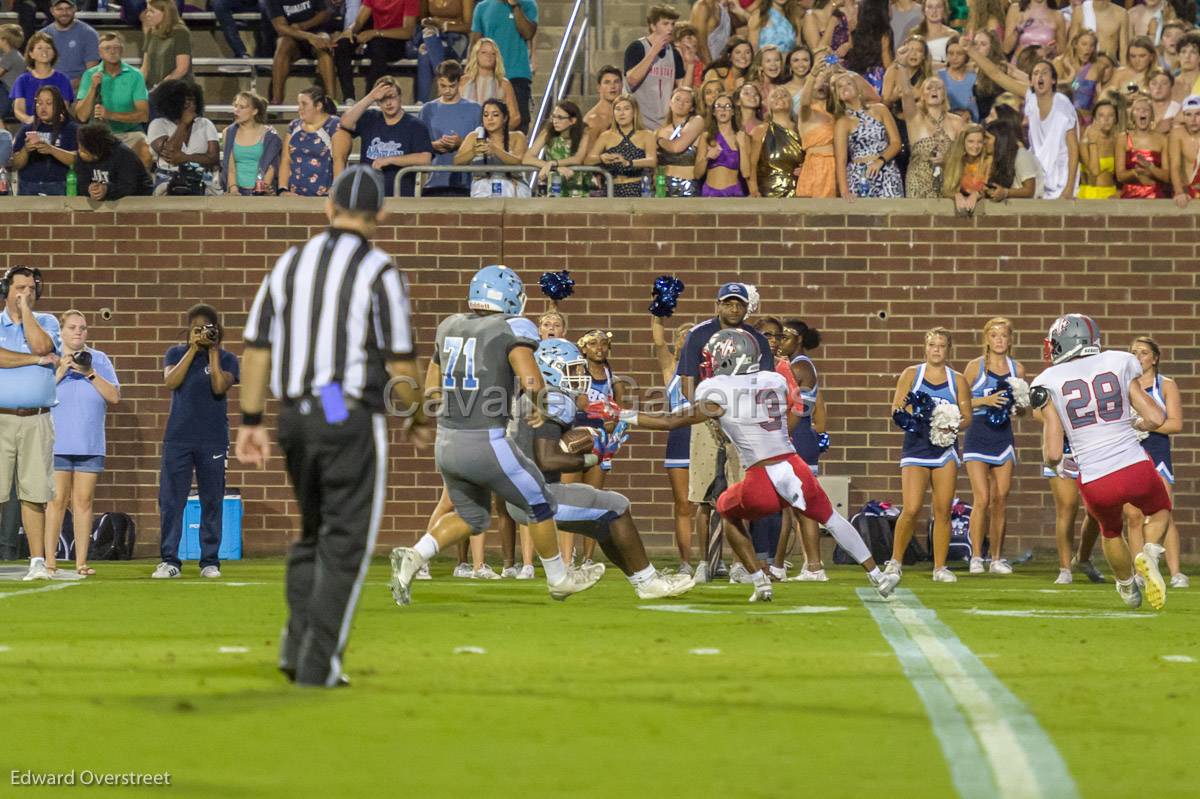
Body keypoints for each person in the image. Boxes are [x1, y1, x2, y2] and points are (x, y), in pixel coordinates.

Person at [237, 166, 428, 687]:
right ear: (381, 214)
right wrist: (415, 414)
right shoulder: (379, 269)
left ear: (328, 206)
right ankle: (318, 664)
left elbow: (256, 348)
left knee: (312, 534)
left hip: (297, 410)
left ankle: (296, 646)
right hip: (341, 408)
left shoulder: (290, 263)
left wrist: (250, 420)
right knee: (345, 540)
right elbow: (401, 361)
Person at [598, 329, 900, 603]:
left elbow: (672, 420)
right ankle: (877, 575)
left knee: (727, 510)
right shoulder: (775, 380)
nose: (709, 362)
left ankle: (759, 581)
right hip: (793, 464)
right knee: (831, 518)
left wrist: (623, 414)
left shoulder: (717, 388)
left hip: (761, 474)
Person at [390, 265, 602, 605]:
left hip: (447, 442)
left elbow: (431, 386)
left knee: (472, 516)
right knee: (540, 502)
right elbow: (531, 379)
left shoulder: (449, 326)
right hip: (486, 440)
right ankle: (559, 578)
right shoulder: (510, 328)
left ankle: (414, 556)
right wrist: (537, 403)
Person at [507, 339, 694, 599]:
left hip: (523, 492)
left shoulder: (537, 396)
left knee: (603, 523)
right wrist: (590, 458)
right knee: (617, 506)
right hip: (536, 495)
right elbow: (548, 460)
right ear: (549, 369)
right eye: (572, 369)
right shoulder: (552, 400)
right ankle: (648, 581)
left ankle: (640, 580)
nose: (580, 375)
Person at [1031, 314, 1172, 610]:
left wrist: (1055, 461)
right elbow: (1158, 417)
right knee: (1160, 511)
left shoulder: (1047, 381)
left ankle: (1127, 588)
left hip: (1095, 478)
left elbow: (1054, 452)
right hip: (1133, 465)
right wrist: (1140, 425)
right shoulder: (1119, 361)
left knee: (1110, 531)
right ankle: (1149, 552)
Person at [674, 283, 774, 584]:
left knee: (740, 494)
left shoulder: (756, 339)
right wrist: (705, 412)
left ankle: (738, 564)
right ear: (717, 304)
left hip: (743, 420)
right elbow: (686, 381)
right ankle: (705, 562)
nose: (734, 309)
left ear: (746, 307)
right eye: (728, 303)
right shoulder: (699, 334)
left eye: (739, 304)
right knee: (704, 495)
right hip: (706, 421)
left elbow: (765, 383)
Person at [155, 304, 238, 581]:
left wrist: (212, 351)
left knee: (211, 500)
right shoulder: (176, 353)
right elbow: (171, 381)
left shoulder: (227, 359)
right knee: (171, 501)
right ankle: (169, 560)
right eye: (197, 329)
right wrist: (192, 349)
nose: (202, 333)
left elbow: (218, 386)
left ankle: (210, 561)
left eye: (208, 329)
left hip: (213, 438)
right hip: (178, 437)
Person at [887, 328, 973, 583]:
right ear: (925, 348)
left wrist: (951, 423)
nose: (936, 350)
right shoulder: (912, 374)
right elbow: (896, 409)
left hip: (945, 450)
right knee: (912, 508)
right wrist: (919, 415)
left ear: (949, 349)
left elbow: (967, 417)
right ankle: (894, 562)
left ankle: (939, 567)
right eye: (932, 345)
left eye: (942, 345)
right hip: (915, 449)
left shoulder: (957, 380)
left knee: (943, 510)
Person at [44, 310, 119, 576]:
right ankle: (49, 562)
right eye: (73, 327)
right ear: (61, 332)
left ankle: (81, 562)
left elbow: (114, 397)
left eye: (83, 328)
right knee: (56, 501)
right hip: (56, 442)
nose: (79, 332)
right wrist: (61, 370)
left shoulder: (99, 359)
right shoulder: (50, 358)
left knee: (84, 501)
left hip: (89, 442)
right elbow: (38, 396)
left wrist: (89, 373)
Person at [0, 266, 60, 583]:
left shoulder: (46, 322)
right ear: (5, 290)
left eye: (31, 289)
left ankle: (37, 561)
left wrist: (26, 313)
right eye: (19, 287)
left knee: (34, 493)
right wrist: (35, 362)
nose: (26, 292)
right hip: (1, 417)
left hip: (37, 418)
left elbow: (42, 346)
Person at [960, 318, 1025, 575]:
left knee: (1000, 498)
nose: (999, 340)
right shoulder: (974, 367)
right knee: (982, 498)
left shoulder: (1017, 369)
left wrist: (1019, 408)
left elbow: (1022, 410)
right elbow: (961, 402)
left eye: (1004, 336)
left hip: (1003, 436)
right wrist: (985, 399)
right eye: (994, 335)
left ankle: (997, 558)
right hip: (978, 435)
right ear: (987, 338)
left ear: (1010, 340)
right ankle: (976, 556)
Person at [969, 52, 1079, 199]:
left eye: (1044, 73)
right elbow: (996, 75)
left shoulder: (1061, 104)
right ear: (1031, 81)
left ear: (1053, 80)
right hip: (1041, 178)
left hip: (1061, 181)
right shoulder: (1031, 98)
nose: (1039, 76)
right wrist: (971, 50)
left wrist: (1069, 188)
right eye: (1035, 73)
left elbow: (1073, 148)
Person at [1124, 337, 1188, 589]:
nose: (1138, 356)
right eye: (1133, 352)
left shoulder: (1166, 385)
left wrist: (1145, 424)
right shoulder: (1124, 384)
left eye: (1143, 352)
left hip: (1157, 454)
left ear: (1155, 358)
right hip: (1129, 454)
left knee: (1163, 512)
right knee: (1133, 515)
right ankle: (1139, 572)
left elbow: (1176, 423)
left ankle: (1175, 572)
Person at [337, 77, 434, 197]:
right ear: (377, 102)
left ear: (400, 96)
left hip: (399, 196)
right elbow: (345, 122)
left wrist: (389, 160)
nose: (388, 103)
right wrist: (370, 97)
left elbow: (425, 159)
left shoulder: (415, 125)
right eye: (383, 99)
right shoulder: (370, 118)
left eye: (392, 97)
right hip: (368, 196)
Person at [652, 315, 695, 574]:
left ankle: (716, 560)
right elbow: (658, 342)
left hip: (705, 435)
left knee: (711, 504)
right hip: (680, 436)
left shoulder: (705, 370)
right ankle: (686, 563)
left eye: (693, 336)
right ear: (677, 343)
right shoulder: (671, 367)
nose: (687, 340)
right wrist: (659, 311)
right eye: (683, 336)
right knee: (683, 504)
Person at [74, 32, 152, 169]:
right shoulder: (90, 75)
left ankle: (141, 189)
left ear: (122, 50)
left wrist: (110, 114)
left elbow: (143, 115)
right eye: (107, 48)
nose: (112, 51)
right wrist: (92, 88)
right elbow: (82, 116)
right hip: (99, 134)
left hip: (131, 133)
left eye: (116, 47)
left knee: (146, 154)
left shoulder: (135, 75)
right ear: (100, 52)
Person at [832, 70, 903, 198]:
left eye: (849, 83)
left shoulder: (880, 109)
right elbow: (841, 160)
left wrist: (880, 161)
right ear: (837, 95)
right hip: (859, 177)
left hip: (887, 171)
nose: (844, 88)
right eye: (840, 86)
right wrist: (844, 191)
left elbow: (896, 143)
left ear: (858, 89)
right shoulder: (842, 122)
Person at [470, 0, 537, 133]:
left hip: (517, 76)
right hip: (490, 77)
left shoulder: (528, 4)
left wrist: (515, 6)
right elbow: (474, 43)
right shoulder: (482, 7)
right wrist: (470, 71)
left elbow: (528, 33)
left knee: (518, 126)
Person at [420, 60, 481, 197]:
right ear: (437, 82)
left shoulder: (475, 109)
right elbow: (418, 146)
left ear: (459, 82)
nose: (447, 90)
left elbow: (483, 147)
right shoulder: (427, 109)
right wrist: (434, 145)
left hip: (467, 184)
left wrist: (461, 144)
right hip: (434, 183)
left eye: (452, 86)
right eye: (443, 86)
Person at [148, 79, 220, 194]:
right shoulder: (158, 124)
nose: (190, 106)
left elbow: (213, 159)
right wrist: (184, 123)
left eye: (192, 101)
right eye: (185, 102)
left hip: (201, 179)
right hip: (168, 180)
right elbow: (169, 153)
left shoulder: (205, 124)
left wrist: (184, 158)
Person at [899, 73, 964, 197]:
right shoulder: (914, 118)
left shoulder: (957, 122)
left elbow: (964, 153)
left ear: (944, 95)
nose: (934, 90)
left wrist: (947, 160)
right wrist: (901, 66)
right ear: (922, 95)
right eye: (929, 88)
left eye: (938, 88)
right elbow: (906, 94)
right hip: (918, 182)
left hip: (948, 183)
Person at [335, 0, 419, 93]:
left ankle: (370, 96)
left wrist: (376, 33)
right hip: (376, 38)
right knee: (342, 44)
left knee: (378, 45)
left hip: (397, 42)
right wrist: (350, 30)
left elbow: (407, 32)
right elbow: (359, 21)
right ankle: (348, 97)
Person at [624, 5, 686, 130]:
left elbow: (682, 88)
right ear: (653, 26)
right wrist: (653, 52)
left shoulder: (673, 53)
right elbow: (631, 80)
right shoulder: (637, 48)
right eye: (665, 23)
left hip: (664, 124)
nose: (670, 28)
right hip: (639, 123)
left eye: (673, 24)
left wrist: (689, 64)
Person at [585, 93, 657, 197]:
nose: (621, 113)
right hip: (611, 189)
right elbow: (588, 160)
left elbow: (652, 161)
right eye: (618, 109)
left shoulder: (647, 134)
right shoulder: (606, 135)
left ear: (634, 111)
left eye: (626, 109)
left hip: (637, 189)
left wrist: (628, 163)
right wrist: (601, 158)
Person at [454, 96, 527, 196]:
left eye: (495, 115)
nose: (490, 119)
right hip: (482, 188)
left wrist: (496, 150)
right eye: (486, 115)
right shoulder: (474, 136)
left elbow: (519, 162)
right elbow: (457, 162)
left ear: (505, 118)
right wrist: (473, 152)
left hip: (512, 186)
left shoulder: (517, 136)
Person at [266, 0, 336, 105]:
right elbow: (280, 27)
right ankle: (277, 100)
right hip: (292, 37)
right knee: (283, 44)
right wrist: (307, 36)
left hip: (316, 32)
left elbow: (325, 13)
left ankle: (331, 100)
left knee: (324, 43)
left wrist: (303, 26)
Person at [12, 85, 77, 196]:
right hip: (28, 187)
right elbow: (15, 164)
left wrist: (51, 150)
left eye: (48, 103)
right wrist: (26, 150)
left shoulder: (72, 129)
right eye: (39, 103)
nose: (43, 108)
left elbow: (77, 161)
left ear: (59, 105)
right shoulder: (26, 129)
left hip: (59, 186)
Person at [278, 85, 340, 196]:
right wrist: (283, 190)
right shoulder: (294, 126)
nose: (299, 108)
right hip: (294, 196)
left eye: (304, 104)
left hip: (324, 197)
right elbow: (285, 159)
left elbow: (339, 161)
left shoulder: (333, 125)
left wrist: (336, 190)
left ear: (319, 106)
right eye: (299, 104)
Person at [524, 99, 591, 196]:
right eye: (554, 117)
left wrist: (554, 163)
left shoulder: (584, 132)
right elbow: (527, 158)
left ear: (572, 120)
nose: (555, 121)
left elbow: (578, 158)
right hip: (555, 185)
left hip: (577, 185)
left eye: (560, 118)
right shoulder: (547, 132)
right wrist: (553, 167)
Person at [221, 90, 282, 195]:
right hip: (237, 191)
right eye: (235, 106)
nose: (237, 110)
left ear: (254, 111)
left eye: (242, 107)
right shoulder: (229, 132)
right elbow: (230, 168)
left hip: (262, 191)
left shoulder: (270, 135)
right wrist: (234, 189)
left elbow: (272, 166)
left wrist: (263, 188)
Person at [413, 0, 474, 103]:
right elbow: (421, 20)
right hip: (435, 36)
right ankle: (446, 86)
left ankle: (424, 100)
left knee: (427, 48)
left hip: (457, 38)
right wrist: (429, 23)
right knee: (426, 49)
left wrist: (444, 26)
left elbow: (468, 26)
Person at [75, 122, 154, 199]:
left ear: (97, 154)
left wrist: (107, 189)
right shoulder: (83, 155)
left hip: (138, 200)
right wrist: (89, 189)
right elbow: (81, 182)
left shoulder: (123, 154)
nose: (80, 153)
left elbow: (128, 186)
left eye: (84, 152)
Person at [749, 84, 802, 197]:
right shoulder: (761, 130)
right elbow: (752, 164)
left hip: (799, 193)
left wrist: (806, 169)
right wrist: (753, 189)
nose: (780, 98)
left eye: (784, 95)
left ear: (792, 102)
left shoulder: (801, 129)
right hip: (768, 194)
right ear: (768, 104)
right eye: (775, 96)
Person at [11, 31, 73, 125]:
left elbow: (64, 108)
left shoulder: (62, 79)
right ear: (31, 54)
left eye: (48, 47)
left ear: (53, 53)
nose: (44, 51)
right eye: (39, 48)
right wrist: (30, 120)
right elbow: (19, 110)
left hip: (55, 128)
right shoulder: (22, 80)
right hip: (30, 128)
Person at [794, 62, 838, 197]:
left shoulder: (837, 114)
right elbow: (805, 103)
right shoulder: (807, 112)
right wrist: (812, 75)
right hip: (816, 168)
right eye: (819, 80)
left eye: (826, 80)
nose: (823, 83)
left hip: (837, 168)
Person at [1116, 93, 1170, 199]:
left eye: (1146, 109)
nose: (1143, 111)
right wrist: (1136, 172)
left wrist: (1150, 167)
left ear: (1152, 117)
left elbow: (1167, 177)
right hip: (1130, 196)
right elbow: (1120, 176)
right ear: (1132, 116)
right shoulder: (1123, 138)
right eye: (1138, 109)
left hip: (1156, 195)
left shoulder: (1163, 139)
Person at [460, 37, 520, 129]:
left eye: (493, 53)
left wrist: (498, 133)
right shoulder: (463, 82)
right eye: (484, 52)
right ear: (476, 55)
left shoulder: (503, 84)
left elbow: (515, 117)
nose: (489, 56)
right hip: (464, 134)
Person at [696, 91, 749, 196]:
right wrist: (707, 158)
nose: (723, 110)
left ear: (733, 112)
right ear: (714, 112)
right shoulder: (706, 137)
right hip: (710, 194)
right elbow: (697, 174)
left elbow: (746, 173)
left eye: (727, 106)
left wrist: (741, 146)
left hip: (733, 194)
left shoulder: (741, 136)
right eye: (719, 106)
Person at [39, 0, 97, 89]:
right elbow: (36, 66)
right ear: (52, 11)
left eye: (68, 8)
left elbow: (92, 71)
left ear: (75, 9)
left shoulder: (89, 33)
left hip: (80, 88)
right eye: (59, 9)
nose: (64, 13)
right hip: (49, 88)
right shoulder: (42, 35)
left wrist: (71, 85)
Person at [140, 0, 192, 94]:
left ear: (165, 12)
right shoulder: (151, 32)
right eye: (147, 10)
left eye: (152, 11)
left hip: (175, 90)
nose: (147, 14)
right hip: (153, 90)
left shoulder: (180, 33)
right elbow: (145, 68)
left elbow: (182, 69)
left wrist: (160, 87)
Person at [941, 123, 991, 214]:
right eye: (971, 141)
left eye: (979, 142)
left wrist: (977, 194)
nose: (975, 146)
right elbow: (946, 190)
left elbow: (989, 189)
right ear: (963, 142)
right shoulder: (954, 161)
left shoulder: (988, 162)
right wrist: (956, 195)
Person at [1078, 98, 1119, 199]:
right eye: (1101, 116)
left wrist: (1119, 193)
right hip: (1090, 194)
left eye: (1111, 115)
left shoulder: (1117, 141)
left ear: (1116, 120)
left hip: (1111, 194)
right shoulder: (1085, 142)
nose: (1106, 119)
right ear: (1094, 120)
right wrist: (1093, 142)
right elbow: (1094, 171)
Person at [1169, 95, 1200, 205]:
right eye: (1189, 114)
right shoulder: (1177, 134)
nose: (1193, 119)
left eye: (1198, 114)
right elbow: (1175, 166)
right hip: (1186, 190)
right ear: (1183, 116)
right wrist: (1179, 192)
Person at [584, 65, 623, 142]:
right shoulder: (593, 120)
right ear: (599, 88)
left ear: (622, 86)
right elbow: (587, 153)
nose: (612, 86)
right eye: (607, 82)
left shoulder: (627, 114)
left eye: (616, 82)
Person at [913, 0, 956, 64]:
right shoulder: (915, 34)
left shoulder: (953, 35)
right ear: (924, 10)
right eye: (930, 7)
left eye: (938, 7)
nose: (934, 11)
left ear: (944, 10)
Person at [0, 24, 26, 121]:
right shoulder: (11, 54)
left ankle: (3, 135)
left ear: (5, 40)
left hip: (10, 95)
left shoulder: (10, 56)